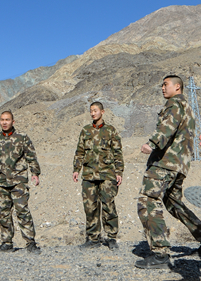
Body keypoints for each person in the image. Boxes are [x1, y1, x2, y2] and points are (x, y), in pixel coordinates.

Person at [136, 75, 201, 269]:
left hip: (165, 163)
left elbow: (167, 127)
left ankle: (160, 253)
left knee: (147, 201)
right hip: (180, 165)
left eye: (166, 84)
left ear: (178, 87)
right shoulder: (187, 107)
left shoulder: (174, 105)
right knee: (174, 204)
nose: (162, 88)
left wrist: (152, 144)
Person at [0, 111, 42, 253]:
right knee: (3, 212)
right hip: (1, 181)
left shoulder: (22, 138)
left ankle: (30, 243)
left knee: (22, 211)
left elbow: (31, 157)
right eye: (2, 120)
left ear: (13, 122)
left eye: (7, 120)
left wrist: (35, 173)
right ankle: (6, 242)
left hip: (19, 181)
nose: (4, 122)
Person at [72, 102, 124, 250]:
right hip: (89, 174)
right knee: (90, 207)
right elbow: (80, 152)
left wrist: (119, 172)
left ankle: (111, 237)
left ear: (102, 111)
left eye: (95, 111)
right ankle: (93, 238)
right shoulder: (86, 131)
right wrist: (76, 169)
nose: (93, 113)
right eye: (91, 111)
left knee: (108, 205)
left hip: (107, 174)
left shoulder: (110, 131)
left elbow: (117, 153)